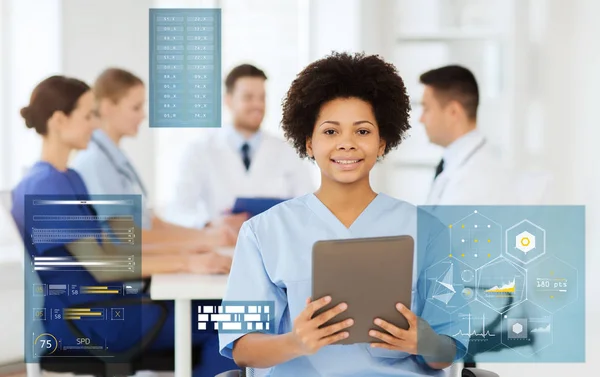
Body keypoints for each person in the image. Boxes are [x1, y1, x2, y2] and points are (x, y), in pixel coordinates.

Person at [218, 52, 468, 376]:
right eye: (331, 132)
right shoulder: (261, 233)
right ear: (308, 143)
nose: (347, 144)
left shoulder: (429, 231)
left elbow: (448, 350)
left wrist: (422, 342)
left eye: (362, 132)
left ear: (382, 143)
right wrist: (296, 342)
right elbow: (240, 348)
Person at [11, 76, 239, 376]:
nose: (95, 125)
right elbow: (105, 265)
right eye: (87, 115)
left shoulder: (66, 178)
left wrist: (193, 254)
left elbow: (112, 247)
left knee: (226, 312)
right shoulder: (45, 185)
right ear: (58, 120)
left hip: (109, 307)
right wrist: (188, 261)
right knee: (237, 321)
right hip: (94, 321)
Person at [71, 67, 235, 265]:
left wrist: (207, 235)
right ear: (107, 107)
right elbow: (126, 236)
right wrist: (202, 240)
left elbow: (151, 223)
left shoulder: (114, 159)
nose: (143, 116)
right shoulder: (96, 162)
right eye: (136, 107)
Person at [167, 64, 316, 228]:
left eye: (262, 97)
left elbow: (308, 206)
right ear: (228, 100)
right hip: (220, 247)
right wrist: (209, 224)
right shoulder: (200, 150)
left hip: (274, 246)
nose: (257, 105)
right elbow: (178, 211)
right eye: (248, 97)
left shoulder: (287, 150)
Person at [419, 65, 550, 206]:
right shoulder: (457, 164)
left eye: (426, 109)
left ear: (453, 112)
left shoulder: (475, 180)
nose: (421, 119)